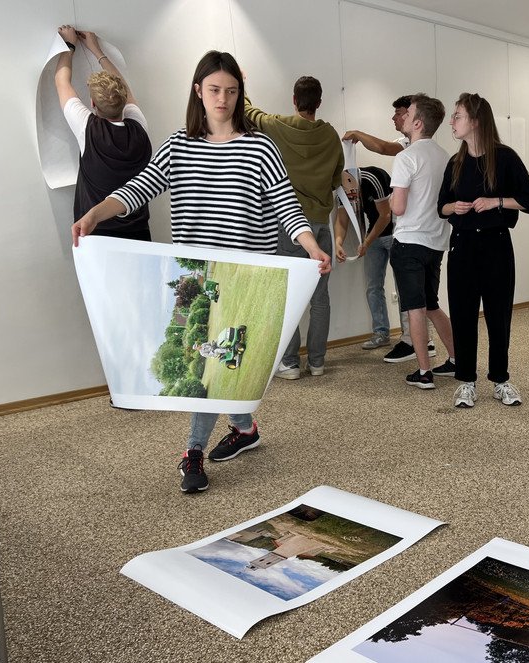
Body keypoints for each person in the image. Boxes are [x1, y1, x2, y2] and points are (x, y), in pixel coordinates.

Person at [72, 51, 331, 494]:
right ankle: (246, 429)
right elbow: (139, 190)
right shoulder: (177, 146)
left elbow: (287, 206)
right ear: (198, 91)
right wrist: (96, 213)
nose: (223, 99)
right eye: (214, 90)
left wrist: (311, 246)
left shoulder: (260, 147)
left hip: (245, 276)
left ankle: (192, 452)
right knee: (217, 355)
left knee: (208, 357)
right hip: (197, 275)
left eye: (231, 91)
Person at [438, 93, 529, 409]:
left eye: (457, 116)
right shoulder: (455, 163)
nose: (452, 122)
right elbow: (441, 207)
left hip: (496, 245)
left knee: (499, 316)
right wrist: (453, 206)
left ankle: (500, 380)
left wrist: (496, 201)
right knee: (463, 315)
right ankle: (466, 382)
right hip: (462, 247)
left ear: (476, 121)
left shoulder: (505, 158)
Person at [242, 76, 344, 379]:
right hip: (320, 225)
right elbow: (337, 179)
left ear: (294, 100)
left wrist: (243, 85)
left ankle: (289, 363)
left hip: (289, 225)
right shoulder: (330, 135)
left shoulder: (278, 125)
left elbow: (249, 113)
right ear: (320, 102)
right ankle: (317, 362)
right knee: (320, 298)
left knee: (285, 296)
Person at [343, 96, 436, 362]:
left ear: (413, 116)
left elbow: (383, 148)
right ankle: (416, 341)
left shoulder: (414, 149)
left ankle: (415, 342)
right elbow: (385, 147)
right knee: (413, 292)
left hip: (412, 232)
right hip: (415, 232)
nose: (395, 119)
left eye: (399, 114)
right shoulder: (412, 148)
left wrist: (359, 134)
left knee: (413, 292)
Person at [55, 26, 153, 240]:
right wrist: (97, 50)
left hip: (97, 232)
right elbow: (125, 90)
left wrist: (69, 45)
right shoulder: (139, 127)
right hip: (139, 231)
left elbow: (62, 82)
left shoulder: (88, 129)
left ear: (92, 104)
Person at [388, 94, 456, 389]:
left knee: (415, 308)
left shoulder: (406, 157)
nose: (402, 117)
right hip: (436, 243)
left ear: (417, 123)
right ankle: (456, 359)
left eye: (408, 113)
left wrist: (389, 199)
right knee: (431, 305)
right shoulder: (446, 157)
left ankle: (424, 372)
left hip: (408, 243)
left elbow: (398, 208)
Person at [333, 166, 398, 349]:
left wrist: (366, 243)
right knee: (373, 287)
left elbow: (386, 215)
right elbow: (341, 220)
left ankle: (411, 337)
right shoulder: (341, 190)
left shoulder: (372, 177)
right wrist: (338, 242)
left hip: (396, 233)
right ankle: (381, 333)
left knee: (404, 288)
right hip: (374, 237)